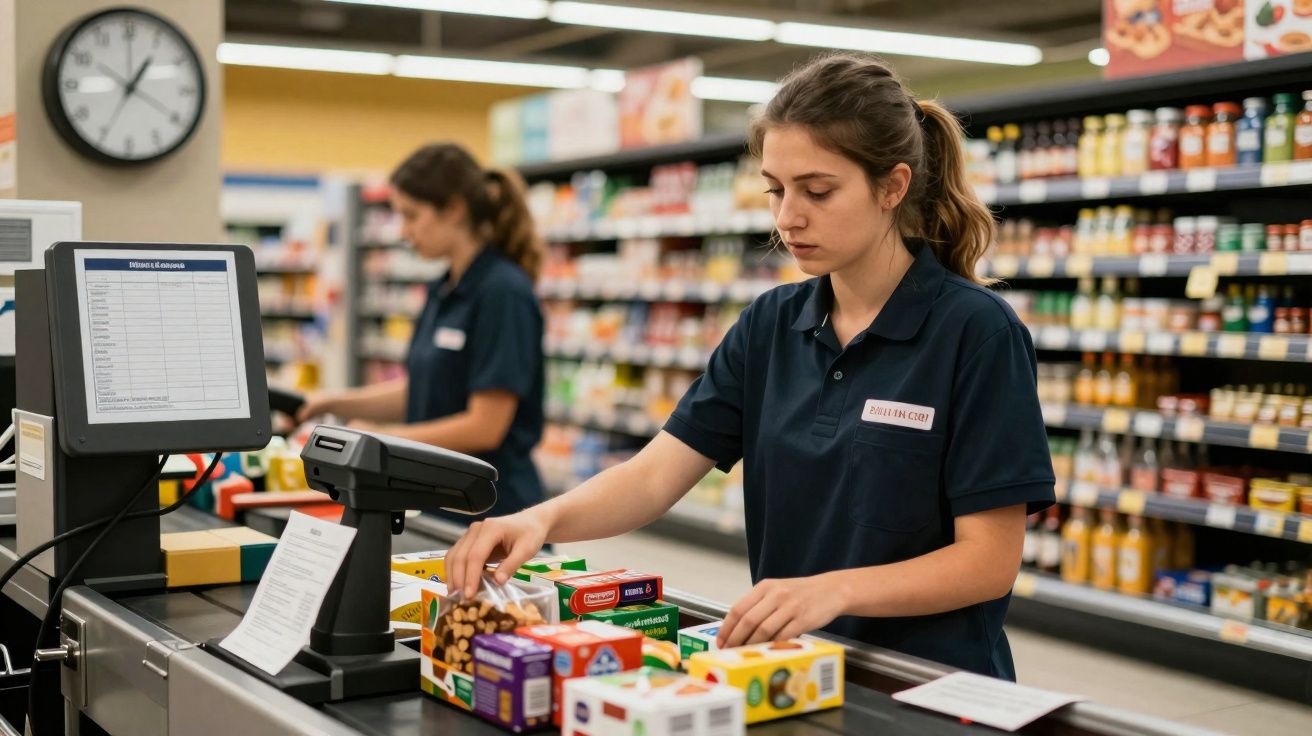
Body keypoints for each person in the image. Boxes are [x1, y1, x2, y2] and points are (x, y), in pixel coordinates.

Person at [446, 54, 1055, 680]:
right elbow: (654, 477)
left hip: (930, 687)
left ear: (892, 187)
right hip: (787, 669)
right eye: (776, 189)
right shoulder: (770, 325)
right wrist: (539, 518)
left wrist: (833, 591)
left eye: (817, 191)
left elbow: (988, 562)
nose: (788, 216)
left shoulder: (976, 332)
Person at [299, 143, 547, 519]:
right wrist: (333, 402)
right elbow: (423, 389)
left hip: (493, 512)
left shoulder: (502, 292)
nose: (405, 231)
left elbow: (485, 427)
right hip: (439, 502)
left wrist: (379, 442)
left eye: (412, 216)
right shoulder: (444, 289)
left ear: (454, 208)